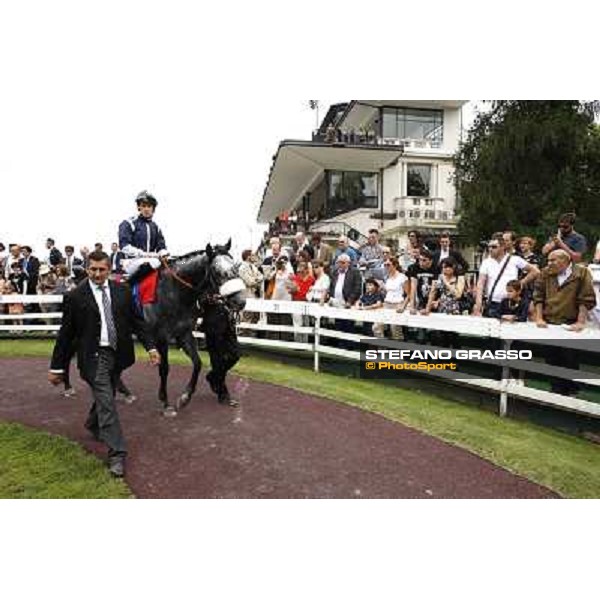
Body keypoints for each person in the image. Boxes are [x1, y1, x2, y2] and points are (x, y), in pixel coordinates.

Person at [48, 251, 160, 478]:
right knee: (107, 401)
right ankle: (117, 453)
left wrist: (151, 347)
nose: (97, 273)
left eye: (101, 269)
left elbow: (138, 322)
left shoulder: (123, 291)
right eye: (93, 269)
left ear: (109, 269)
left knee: (105, 393)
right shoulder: (75, 296)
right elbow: (65, 335)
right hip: (92, 356)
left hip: (118, 354)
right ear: (87, 269)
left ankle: (92, 423)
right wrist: (57, 367)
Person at [533, 249, 596, 395]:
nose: (549, 263)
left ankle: (571, 390)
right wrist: (539, 317)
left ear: (565, 260)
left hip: (570, 322)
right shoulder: (545, 272)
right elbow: (538, 296)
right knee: (551, 356)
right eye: (548, 260)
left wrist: (580, 321)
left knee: (569, 357)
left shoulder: (581, 273)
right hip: (549, 321)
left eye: (552, 260)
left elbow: (586, 298)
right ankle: (556, 389)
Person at [474, 233, 539, 318]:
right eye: (489, 247)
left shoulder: (514, 259)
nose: (490, 249)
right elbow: (480, 284)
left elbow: (535, 271)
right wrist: (478, 305)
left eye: (494, 247)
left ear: (502, 247)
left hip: (510, 304)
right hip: (492, 303)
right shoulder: (486, 262)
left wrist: (520, 284)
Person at [118, 190, 168, 283]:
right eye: (143, 206)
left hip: (152, 260)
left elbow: (161, 246)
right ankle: (127, 289)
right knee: (148, 264)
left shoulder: (156, 227)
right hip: (131, 261)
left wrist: (164, 254)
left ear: (153, 209)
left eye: (149, 206)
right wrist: (145, 254)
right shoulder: (128, 223)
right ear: (139, 207)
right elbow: (124, 247)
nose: (146, 209)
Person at [373, 257, 408, 339]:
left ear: (395, 265)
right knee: (376, 327)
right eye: (385, 265)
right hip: (387, 304)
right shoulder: (387, 277)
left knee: (395, 329)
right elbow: (389, 291)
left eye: (388, 265)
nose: (386, 267)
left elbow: (408, 294)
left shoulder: (402, 277)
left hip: (397, 304)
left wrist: (403, 306)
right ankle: (382, 348)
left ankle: (398, 349)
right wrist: (382, 286)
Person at [407, 249, 439, 314]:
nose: (421, 262)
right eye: (420, 259)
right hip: (421, 300)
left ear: (431, 261)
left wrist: (428, 308)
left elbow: (433, 290)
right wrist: (412, 306)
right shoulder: (415, 267)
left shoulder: (436, 268)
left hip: (434, 301)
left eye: (424, 260)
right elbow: (413, 288)